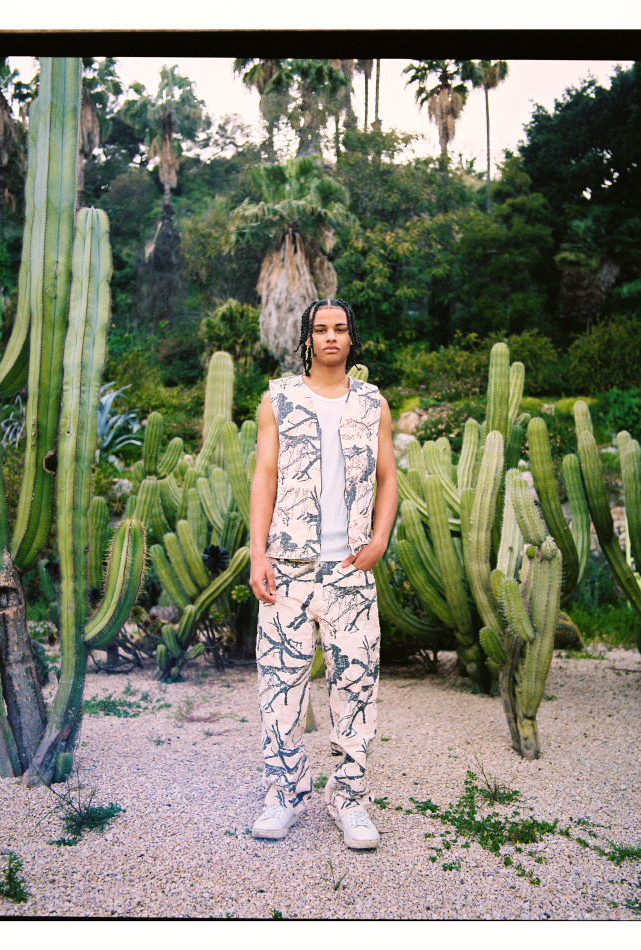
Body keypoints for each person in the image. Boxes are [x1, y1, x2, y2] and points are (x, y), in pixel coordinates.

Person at [248, 298, 398, 850]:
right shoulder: (279, 397)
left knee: (355, 689)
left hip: (350, 572)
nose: (330, 337)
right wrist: (257, 553)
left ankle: (350, 800)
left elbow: (388, 477)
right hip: (287, 570)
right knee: (280, 690)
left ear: (351, 338)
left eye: (339, 329)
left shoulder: (372, 402)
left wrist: (379, 539)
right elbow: (265, 475)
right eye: (320, 329)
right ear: (307, 339)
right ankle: (284, 795)